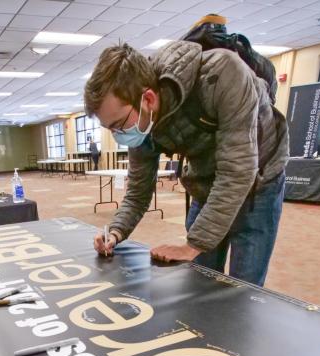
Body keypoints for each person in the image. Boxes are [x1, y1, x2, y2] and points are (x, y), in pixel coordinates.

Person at [85, 26, 289, 287]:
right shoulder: (141, 120)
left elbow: (238, 171)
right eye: (109, 128)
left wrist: (193, 245)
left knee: (243, 287)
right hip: (206, 178)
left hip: (260, 178)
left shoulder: (223, 73)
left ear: (147, 98)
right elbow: (138, 191)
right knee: (199, 281)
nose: (117, 135)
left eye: (118, 124)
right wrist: (115, 232)